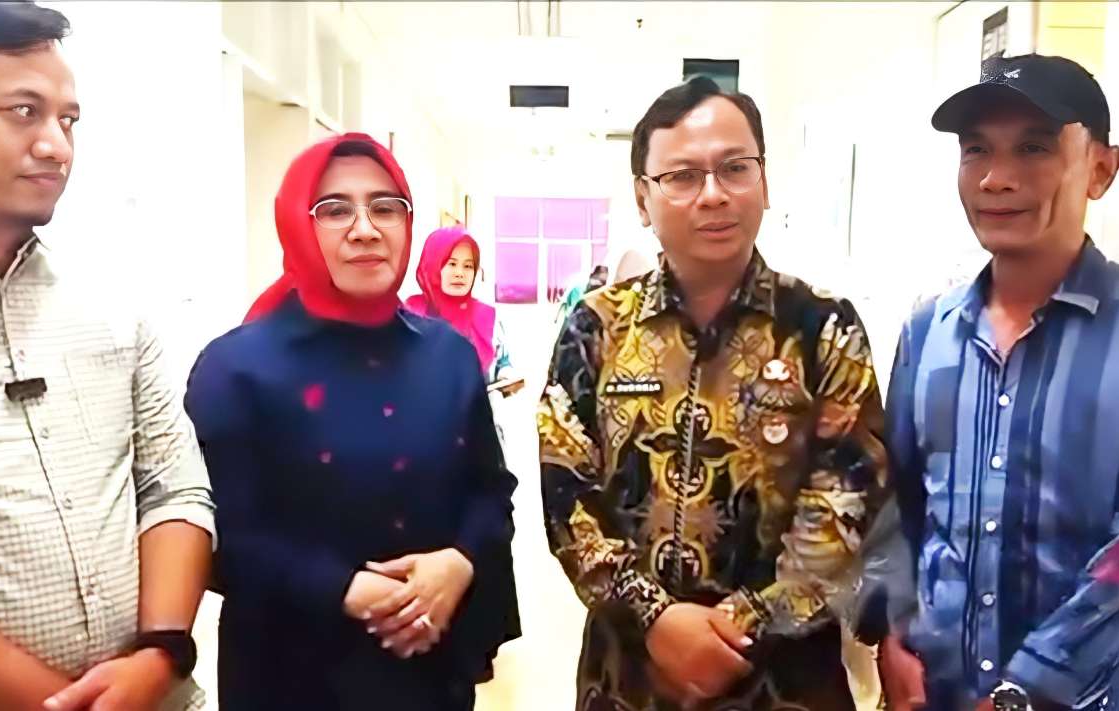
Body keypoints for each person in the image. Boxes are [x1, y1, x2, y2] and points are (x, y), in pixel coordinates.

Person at [538, 76, 889, 710]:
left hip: (786, 680)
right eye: (682, 176)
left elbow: (848, 496)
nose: (713, 194)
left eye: (735, 168)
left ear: (764, 182)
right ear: (643, 199)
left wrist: (742, 625)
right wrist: (655, 618)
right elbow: (567, 495)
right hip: (629, 676)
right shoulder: (596, 327)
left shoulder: (821, 326)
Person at [0, 3, 215, 710]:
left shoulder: (112, 301)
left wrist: (160, 654)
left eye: (68, 120)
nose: (56, 146)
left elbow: (173, 489)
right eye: (23, 112)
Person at [185, 132, 520, 711]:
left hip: (429, 670)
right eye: (335, 209)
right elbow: (213, 533)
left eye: (385, 208)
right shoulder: (236, 367)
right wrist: (344, 590)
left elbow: (490, 490)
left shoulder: (448, 356)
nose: (365, 229)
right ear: (298, 224)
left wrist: (460, 561)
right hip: (291, 674)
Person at [879, 54, 1119, 711]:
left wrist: (1028, 688)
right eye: (975, 150)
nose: (995, 178)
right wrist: (892, 630)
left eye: (1033, 149)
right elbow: (894, 504)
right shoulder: (927, 333)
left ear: (1100, 169)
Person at [406, 225, 522, 397]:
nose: (460, 273)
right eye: (452, 264)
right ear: (433, 265)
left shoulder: (486, 318)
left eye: (468, 266)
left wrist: (506, 376)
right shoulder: (409, 315)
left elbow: (502, 363)